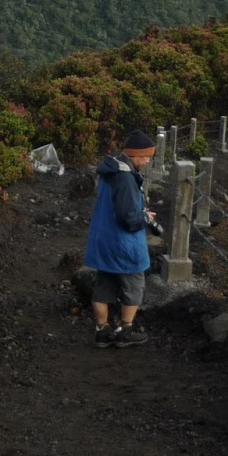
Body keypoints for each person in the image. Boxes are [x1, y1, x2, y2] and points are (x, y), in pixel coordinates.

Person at [84, 130, 158, 348]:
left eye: (149, 158)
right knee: (134, 282)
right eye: (144, 157)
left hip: (103, 238)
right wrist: (144, 217)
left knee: (103, 284)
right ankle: (126, 330)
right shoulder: (125, 177)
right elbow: (128, 219)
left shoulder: (111, 169)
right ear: (132, 154)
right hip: (122, 242)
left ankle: (102, 330)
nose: (146, 162)